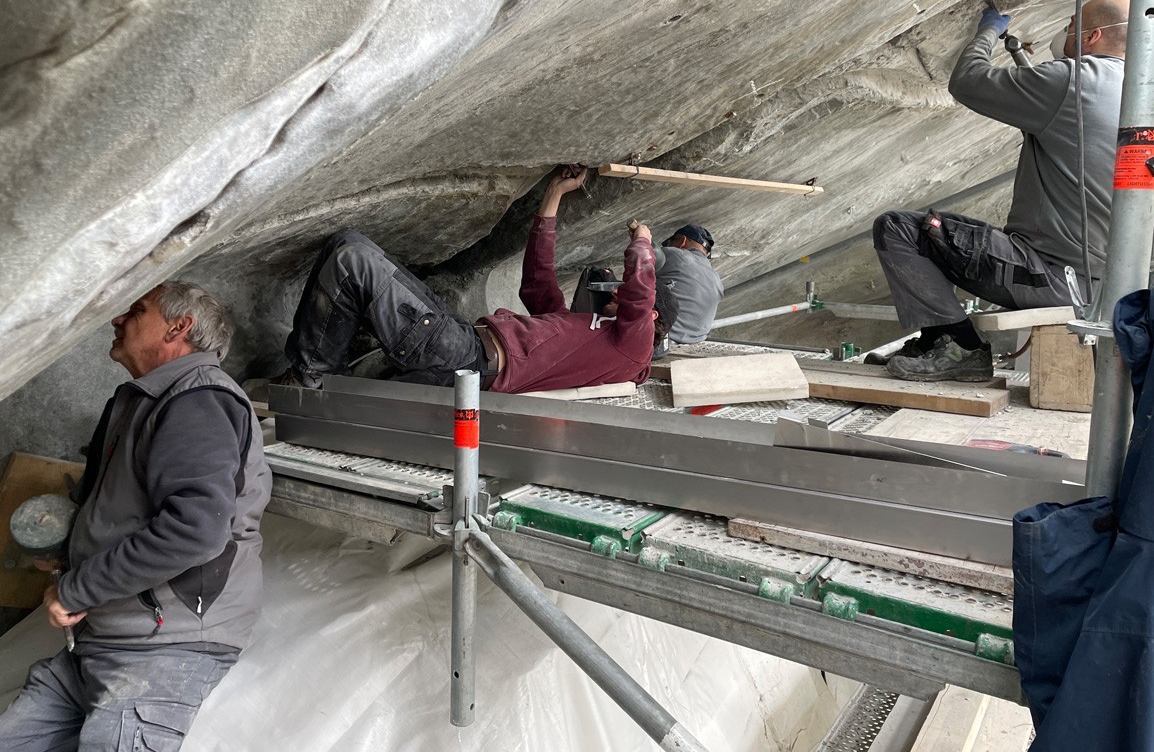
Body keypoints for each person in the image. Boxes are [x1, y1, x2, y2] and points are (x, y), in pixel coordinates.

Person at [0, 283, 271, 751]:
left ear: (179, 327)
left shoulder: (198, 399)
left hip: (160, 649)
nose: (118, 319)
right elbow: (126, 511)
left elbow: (195, 530)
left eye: (137, 310)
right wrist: (71, 554)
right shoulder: (148, 399)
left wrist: (78, 588)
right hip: (105, 639)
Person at [872, 0, 1129, 381]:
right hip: (1110, 286)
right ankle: (934, 342)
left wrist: (988, 31)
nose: (1064, 35)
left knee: (900, 229)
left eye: (1072, 28)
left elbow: (968, 81)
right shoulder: (1143, 93)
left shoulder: (1074, 79)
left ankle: (961, 348)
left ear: (1092, 36)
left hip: (1051, 278)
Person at [280, 166, 678, 394]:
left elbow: (640, 294)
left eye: (625, 293)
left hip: (466, 360)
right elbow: (537, 281)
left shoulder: (633, 352)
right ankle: (315, 371)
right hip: (462, 340)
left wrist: (642, 241)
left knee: (353, 261)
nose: (617, 292)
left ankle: (310, 378)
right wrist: (555, 193)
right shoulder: (592, 334)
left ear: (651, 315)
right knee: (346, 243)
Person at [654, 224, 724, 345]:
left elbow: (639, 257)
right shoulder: (716, 278)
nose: (669, 246)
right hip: (695, 341)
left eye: (671, 242)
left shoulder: (676, 255)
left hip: (662, 338)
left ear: (682, 241)